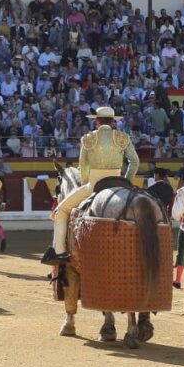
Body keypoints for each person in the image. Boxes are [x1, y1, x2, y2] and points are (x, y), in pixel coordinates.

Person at [44, 105, 139, 265]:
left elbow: (84, 167)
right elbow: (134, 162)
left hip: (94, 184)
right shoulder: (123, 138)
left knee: (61, 211)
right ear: (113, 122)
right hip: (119, 183)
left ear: (96, 121)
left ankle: (59, 252)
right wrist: (127, 182)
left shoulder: (88, 139)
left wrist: (86, 183)